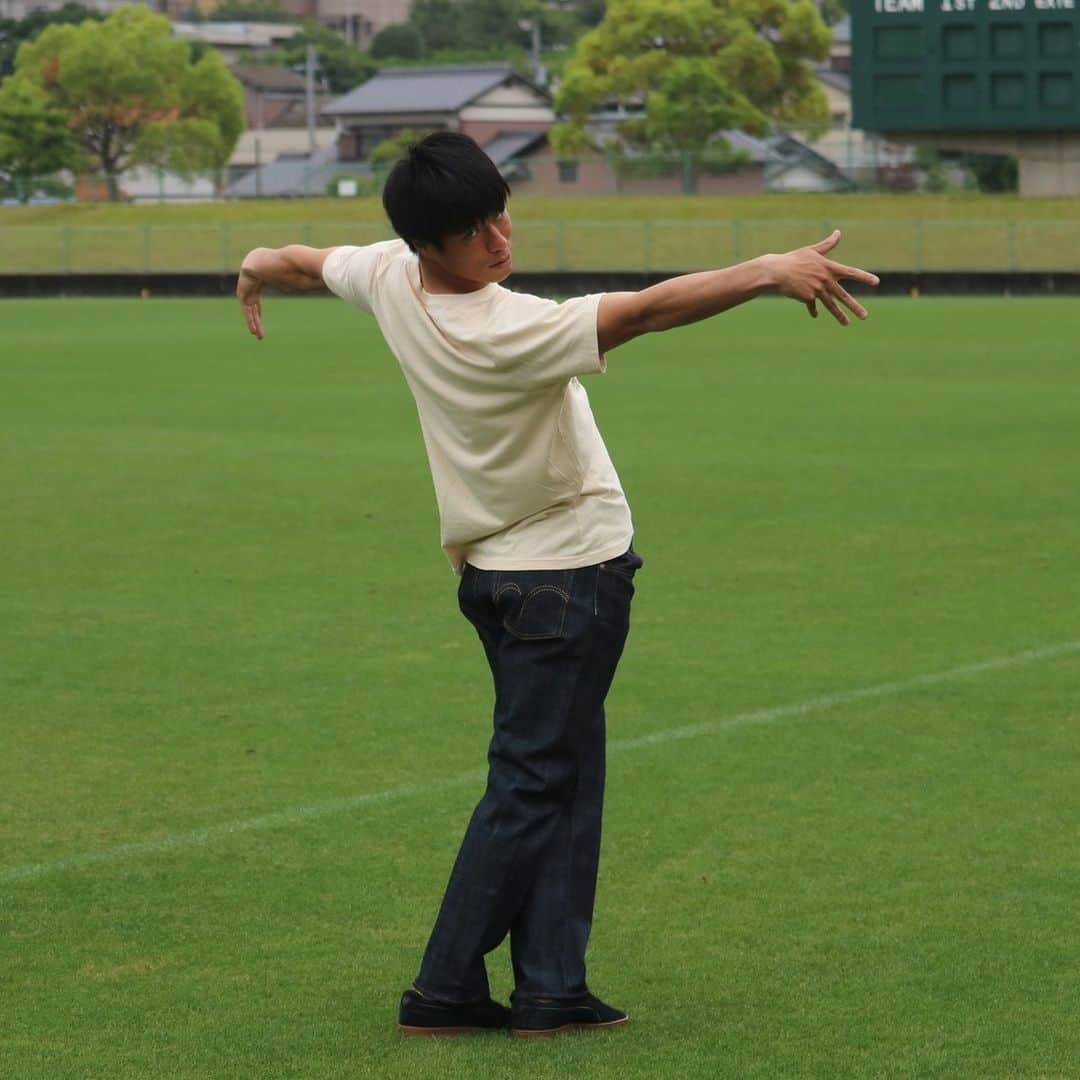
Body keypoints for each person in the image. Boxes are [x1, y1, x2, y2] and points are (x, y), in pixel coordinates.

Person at [236, 131, 879, 1040]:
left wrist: (258, 263)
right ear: (430, 245)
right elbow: (647, 312)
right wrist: (767, 269)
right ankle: (446, 985)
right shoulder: (505, 329)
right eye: (473, 231)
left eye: (501, 212)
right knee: (535, 782)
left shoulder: (388, 275)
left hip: (500, 579)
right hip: (566, 580)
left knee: (564, 776)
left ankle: (551, 987)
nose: (499, 238)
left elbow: (308, 259)